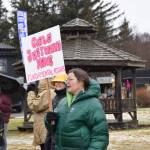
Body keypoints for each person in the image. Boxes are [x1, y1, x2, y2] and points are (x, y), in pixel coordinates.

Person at [45, 68, 109, 150]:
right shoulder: (63, 102)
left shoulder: (93, 104)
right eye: (66, 80)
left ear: (81, 81)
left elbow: (100, 137)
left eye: (70, 79)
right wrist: (48, 120)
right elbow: (52, 128)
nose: (67, 82)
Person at [27, 79, 55, 150]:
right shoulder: (47, 92)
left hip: (44, 127)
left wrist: (31, 92)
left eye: (40, 82)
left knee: (45, 146)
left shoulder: (48, 92)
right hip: (43, 127)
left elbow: (34, 106)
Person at [45, 73, 67, 150]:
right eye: (56, 82)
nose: (57, 84)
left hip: (64, 136)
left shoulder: (69, 97)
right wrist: (48, 119)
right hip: (53, 134)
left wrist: (58, 117)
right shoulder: (55, 98)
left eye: (60, 82)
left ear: (66, 83)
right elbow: (50, 124)